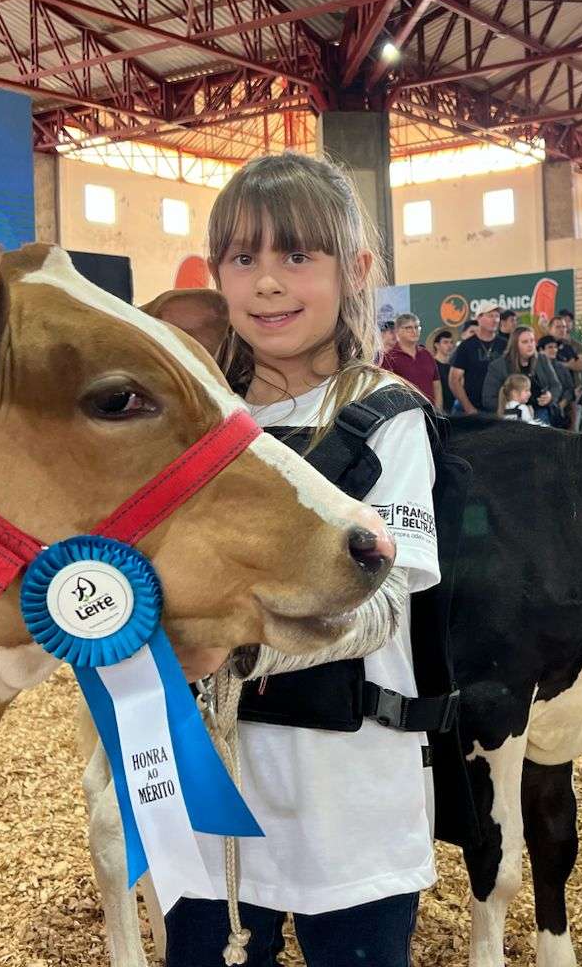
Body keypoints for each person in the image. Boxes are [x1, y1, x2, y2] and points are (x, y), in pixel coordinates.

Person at [164, 152, 439, 967]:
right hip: (209, 792)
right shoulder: (193, 421)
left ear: (354, 270)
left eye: (296, 255)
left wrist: (237, 646)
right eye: (242, 257)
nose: (266, 282)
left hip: (345, 791)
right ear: (216, 273)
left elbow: (386, 606)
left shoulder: (387, 416)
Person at [480, 325, 559, 418]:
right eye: (525, 342)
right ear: (515, 345)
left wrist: (550, 396)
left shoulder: (542, 359)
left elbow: (556, 385)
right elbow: (488, 399)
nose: (530, 345)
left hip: (540, 410)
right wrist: (518, 407)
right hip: (511, 414)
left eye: (532, 341)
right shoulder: (498, 366)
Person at [448, 303, 505, 414]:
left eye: (497, 316)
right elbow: (454, 380)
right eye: (490, 316)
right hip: (474, 409)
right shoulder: (466, 346)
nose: (495, 320)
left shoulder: (505, 344)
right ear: (479, 318)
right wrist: (468, 407)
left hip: (500, 409)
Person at [381, 313, 439, 405]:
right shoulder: (389, 357)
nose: (414, 331)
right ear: (397, 331)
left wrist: (438, 409)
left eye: (416, 327)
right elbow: (386, 390)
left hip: (431, 410)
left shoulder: (427, 354)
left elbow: (436, 384)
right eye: (408, 328)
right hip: (406, 411)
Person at [536, 335, 575, 428]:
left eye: (555, 347)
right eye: (550, 347)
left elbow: (570, 388)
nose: (554, 350)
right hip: (542, 408)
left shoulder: (561, 367)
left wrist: (562, 403)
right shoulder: (535, 366)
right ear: (541, 350)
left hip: (561, 412)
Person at [428, 328, 457, 412]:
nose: (449, 346)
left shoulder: (454, 366)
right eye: (445, 342)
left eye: (451, 342)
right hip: (437, 409)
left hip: (453, 409)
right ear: (437, 345)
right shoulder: (431, 365)